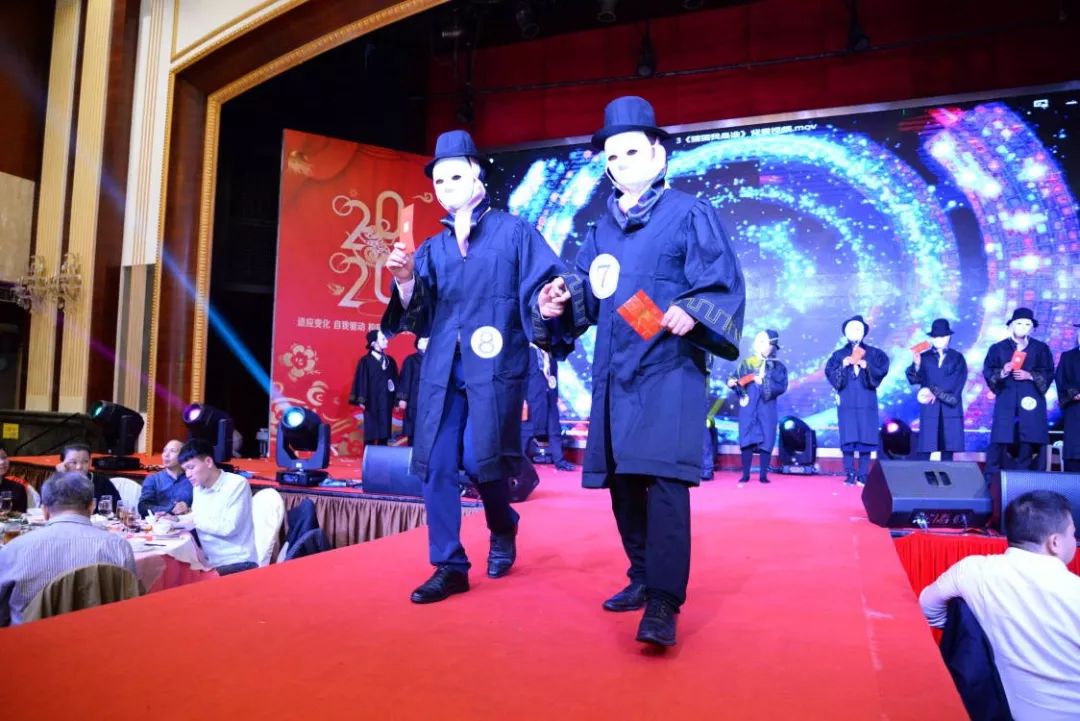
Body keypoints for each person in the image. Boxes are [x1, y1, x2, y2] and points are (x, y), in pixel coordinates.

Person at [539, 96, 745, 647]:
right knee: (623, 479)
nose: (621, 162)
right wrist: (559, 299)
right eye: (612, 155)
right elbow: (586, 289)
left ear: (658, 154)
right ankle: (641, 575)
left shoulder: (689, 213)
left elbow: (720, 282)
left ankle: (664, 601)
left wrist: (693, 310)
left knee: (664, 481)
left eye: (631, 151)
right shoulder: (601, 229)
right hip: (615, 370)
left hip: (669, 367)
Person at [382, 129, 571, 604]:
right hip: (442, 369)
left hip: (496, 365)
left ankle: (502, 524)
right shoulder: (432, 248)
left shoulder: (515, 233)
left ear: (476, 174)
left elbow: (546, 284)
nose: (447, 187)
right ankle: (449, 564)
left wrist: (549, 301)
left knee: (480, 458)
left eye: (455, 176)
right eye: (439, 181)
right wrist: (404, 281)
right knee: (436, 462)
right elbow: (417, 315)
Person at [919, 491, 1080, 720]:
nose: (1075, 540)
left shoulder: (972, 572)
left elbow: (927, 608)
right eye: (1073, 534)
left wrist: (976, 628)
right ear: (1054, 542)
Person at [0, 472, 136, 626]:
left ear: (45, 510)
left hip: (30, 637)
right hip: (99, 633)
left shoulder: (15, 549)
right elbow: (129, 600)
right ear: (92, 506)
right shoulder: (119, 546)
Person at [982, 308, 1055, 482]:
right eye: (1019, 323)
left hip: (1030, 398)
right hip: (1007, 396)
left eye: (1027, 324)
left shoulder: (1041, 348)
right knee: (1001, 436)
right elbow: (988, 371)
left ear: (1032, 328)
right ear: (1011, 325)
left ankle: (1027, 481)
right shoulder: (998, 348)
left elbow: (1049, 372)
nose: (1023, 327)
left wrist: (1030, 375)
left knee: (1029, 438)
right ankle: (993, 480)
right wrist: (1003, 372)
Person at [826, 315, 890, 486]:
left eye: (858, 329)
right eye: (851, 329)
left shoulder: (874, 353)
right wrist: (843, 365)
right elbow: (831, 374)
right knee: (848, 435)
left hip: (865, 400)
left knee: (865, 436)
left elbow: (882, 369)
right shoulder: (839, 355)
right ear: (846, 333)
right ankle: (849, 472)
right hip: (847, 400)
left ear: (863, 332)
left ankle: (863, 474)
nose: (854, 332)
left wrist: (867, 366)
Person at [178, 439, 257, 575]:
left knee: (185, 580)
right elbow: (200, 519)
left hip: (238, 562)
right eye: (185, 470)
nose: (188, 475)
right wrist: (175, 521)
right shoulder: (198, 488)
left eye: (191, 468)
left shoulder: (237, 484)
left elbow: (230, 528)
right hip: (210, 562)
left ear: (208, 462)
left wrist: (192, 520)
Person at [727, 330, 788, 484]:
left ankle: (763, 475)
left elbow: (781, 386)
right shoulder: (747, 363)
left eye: (763, 341)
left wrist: (764, 382)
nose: (759, 344)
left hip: (767, 407)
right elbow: (735, 378)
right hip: (749, 405)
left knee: (767, 437)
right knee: (746, 436)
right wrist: (732, 383)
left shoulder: (777, 366)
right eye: (758, 341)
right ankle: (745, 474)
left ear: (772, 345)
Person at [905, 318, 966, 461]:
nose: (939, 340)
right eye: (935, 337)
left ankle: (947, 475)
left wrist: (935, 392)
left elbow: (956, 381)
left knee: (948, 446)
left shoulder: (957, 358)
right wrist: (917, 365)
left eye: (942, 336)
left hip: (948, 404)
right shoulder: (924, 357)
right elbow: (914, 379)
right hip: (930, 406)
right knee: (927, 444)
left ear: (949, 337)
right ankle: (922, 474)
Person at [521, 344, 576, 472]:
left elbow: (554, 375)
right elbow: (521, 376)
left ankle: (560, 461)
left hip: (549, 395)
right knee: (527, 431)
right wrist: (522, 398)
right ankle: (518, 463)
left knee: (554, 429)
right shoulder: (527, 350)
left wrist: (555, 394)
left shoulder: (550, 352)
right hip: (532, 395)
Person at [349, 330, 399, 447]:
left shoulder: (390, 361)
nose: (386, 341)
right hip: (371, 402)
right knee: (371, 432)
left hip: (386, 401)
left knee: (385, 431)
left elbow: (395, 381)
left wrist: (396, 400)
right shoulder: (365, 361)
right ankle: (368, 454)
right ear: (374, 343)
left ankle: (382, 453)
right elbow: (361, 380)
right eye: (383, 339)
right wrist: (361, 400)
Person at [54, 442, 121, 510]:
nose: (79, 467)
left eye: (85, 462)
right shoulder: (56, 482)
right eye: (73, 462)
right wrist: (62, 476)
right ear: (62, 463)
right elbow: (52, 507)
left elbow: (118, 508)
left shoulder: (102, 482)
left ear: (90, 462)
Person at [138, 439, 193, 517]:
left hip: (187, 522)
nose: (166, 455)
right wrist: (170, 509)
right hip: (159, 523)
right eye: (164, 451)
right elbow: (143, 507)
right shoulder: (153, 479)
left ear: (183, 455)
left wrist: (188, 508)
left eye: (172, 451)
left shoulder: (192, 479)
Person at [1054, 322, 1080, 472]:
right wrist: (1074, 393)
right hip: (1075, 409)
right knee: (1074, 452)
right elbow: (1060, 380)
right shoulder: (1068, 356)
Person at [397, 335, 427, 443]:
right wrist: (402, 398)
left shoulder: (434, 359)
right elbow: (405, 379)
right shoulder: (411, 360)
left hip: (429, 398)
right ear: (418, 344)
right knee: (414, 428)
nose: (428, 342)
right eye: (425, 340)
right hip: (414, 398)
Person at [0, 444, 30, 514]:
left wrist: (10, 513)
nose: (2, 462)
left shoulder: (18, 488)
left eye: (4, 457)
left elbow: (22, 517)